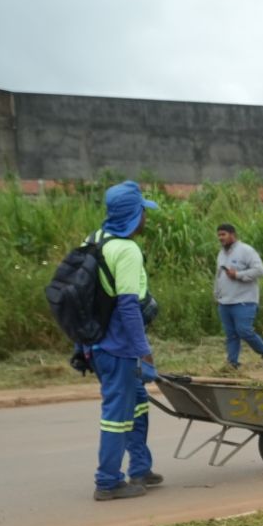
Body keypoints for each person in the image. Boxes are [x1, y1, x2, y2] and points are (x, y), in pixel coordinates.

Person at [90, 180, 162, 501]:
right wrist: (143, 351)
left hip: (97, 343)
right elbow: (128, 305)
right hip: (118, 347)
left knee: (138, 404)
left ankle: (141, 468)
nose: (146, 217)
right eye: (143, 211)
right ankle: (108, 482)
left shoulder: (96, 240)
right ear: (134, 215)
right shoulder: (127, 250)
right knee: (117, 416)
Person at [214, 223, 263, 373]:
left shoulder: (246, 250)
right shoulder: (221, 253)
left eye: (223, 234)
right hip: (225, 301)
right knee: (231, 335)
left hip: (244, 300)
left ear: (232, 235)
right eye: (219, 235)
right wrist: (216, 294)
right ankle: (232, 365)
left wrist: (238, 275)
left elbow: (260, 270)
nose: (220, 238)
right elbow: (219, 275)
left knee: (244, 330)